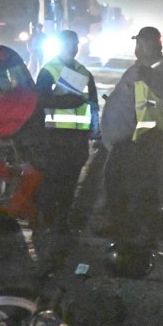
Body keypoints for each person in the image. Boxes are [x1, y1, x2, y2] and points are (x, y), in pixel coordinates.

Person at [100, 26, 163, 240]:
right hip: (133, 137)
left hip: (143, 138)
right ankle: (133, 224)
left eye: (143, 43)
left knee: (125, 182)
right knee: (127, 182)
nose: (138, 47)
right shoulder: (143, 67)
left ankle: (131, 227)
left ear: (155, 44)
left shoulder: (158, 70)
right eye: (137, 42)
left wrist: (147, 74)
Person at [34, 30, 101, 237]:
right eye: (69, 44)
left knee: (70, 183)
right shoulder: (49, 71)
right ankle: (45, 220)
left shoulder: (83, 72)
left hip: (78, 139)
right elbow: (39, 102)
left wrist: (95, 130)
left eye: (75, 44)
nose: (73, 48)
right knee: (52, 181)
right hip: (55, 137)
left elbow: (93, 104)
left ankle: (61, 222)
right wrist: (65, 102)